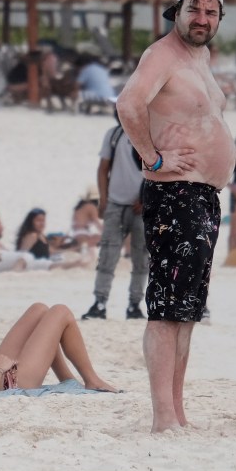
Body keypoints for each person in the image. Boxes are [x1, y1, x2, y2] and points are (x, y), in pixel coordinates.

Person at [116, 0, 235, 433]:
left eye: (210, 12)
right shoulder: (161, 55)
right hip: (176, 194)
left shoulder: (199, 58)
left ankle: (178, 411)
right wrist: (154, 157)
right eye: (194, 9)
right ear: (177, 12)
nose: (201, 18)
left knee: (188, 310)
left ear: (219, 18)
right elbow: (128, 105)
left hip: (203, 196)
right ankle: (163, 416)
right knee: (167, 307)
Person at [82, 115, 148, 321]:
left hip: (142, 207)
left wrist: (146, 197)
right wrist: (103, 198)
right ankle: (100, 301)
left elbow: (158, 171)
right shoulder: (114, 134)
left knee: (141, 258)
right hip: (116, 203)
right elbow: (103, 168)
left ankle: (134, 304)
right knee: (108, 256)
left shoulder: (151, 135)